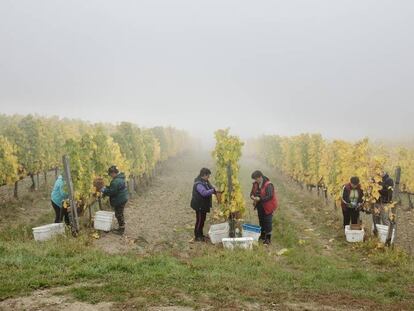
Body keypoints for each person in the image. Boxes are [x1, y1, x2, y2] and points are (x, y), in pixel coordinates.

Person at [250, 170, 278, 245]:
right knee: (261, 220)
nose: (255, 181)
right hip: (260, 205)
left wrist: (260, 199)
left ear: (260, 177)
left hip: (268, 206)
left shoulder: (268, 184)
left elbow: (270, 196)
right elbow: (252, 193)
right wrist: (252, 196)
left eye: (256, 179)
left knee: (267, 222)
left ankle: (268, 239)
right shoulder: (256, 184)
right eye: (254, 179)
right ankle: (262, 236)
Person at [101, 165, 129, 235]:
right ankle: (121, 227)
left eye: (110, 174)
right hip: (122, 198)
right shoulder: (120, 178)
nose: (110, 176)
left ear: (113, 173)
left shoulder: (116, 181)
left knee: (118, 214)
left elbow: (111, 192)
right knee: (120, 213)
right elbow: (113, 188)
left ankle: (121, 230)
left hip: (120, 200)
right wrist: (107, 187)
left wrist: (103, 190)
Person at [190, 168, 216, 242]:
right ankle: (197, 236)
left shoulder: (205, 181)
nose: (209, 177)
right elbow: (204, 193)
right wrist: (213, 191)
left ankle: (200, 234)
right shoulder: (198, 184)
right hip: (199, 205)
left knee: (202, 220)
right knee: (199, 220)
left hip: (203, 205)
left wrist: (215, 189)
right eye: (208, 175)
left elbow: (211, 187)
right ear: (204, 175)